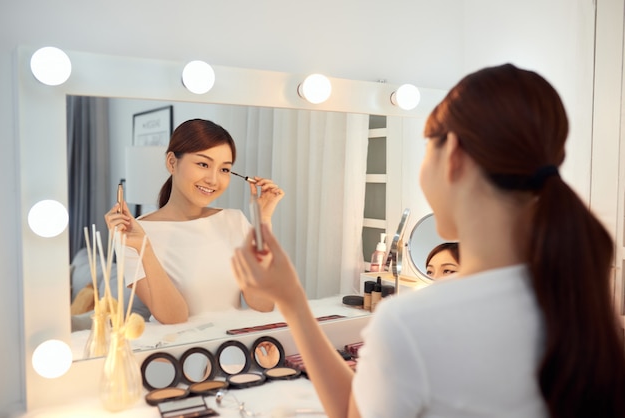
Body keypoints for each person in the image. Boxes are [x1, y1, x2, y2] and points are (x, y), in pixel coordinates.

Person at [231, 64, 625, 417]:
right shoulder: (576, 299)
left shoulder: (413, 324)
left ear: (451, 153)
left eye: (426, 148)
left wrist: (292, 300)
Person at [105, 119, 284, 324]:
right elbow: (174, 318)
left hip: (234, 350)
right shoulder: (133, 234)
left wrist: (263, 223)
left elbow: (264, 304)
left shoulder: (234, 221)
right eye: (203, 164)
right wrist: (143, 248)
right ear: (172, 162)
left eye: (224, 169)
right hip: (177, 352)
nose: (213, 180)